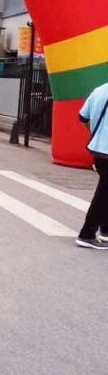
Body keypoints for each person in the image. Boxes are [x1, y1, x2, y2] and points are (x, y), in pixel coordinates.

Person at [76, 81, 108, 249]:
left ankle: (105, 231)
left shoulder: (99, 90)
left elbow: (83, 117)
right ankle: (87, 234)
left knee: (105, 190)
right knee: (103, 193)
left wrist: (97, 135)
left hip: (98, 150)